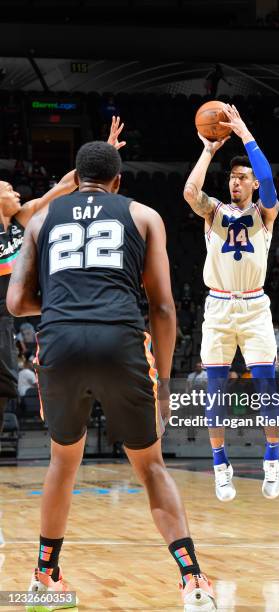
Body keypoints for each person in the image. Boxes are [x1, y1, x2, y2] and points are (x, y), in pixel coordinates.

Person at [7, 141, 216, 611]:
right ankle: (193, 581)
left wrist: (66, 302)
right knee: (151, 467)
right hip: (120, 340)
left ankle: (44, 578)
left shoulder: (42, 220)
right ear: (118, 181)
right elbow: (162, 307)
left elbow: (16, 303)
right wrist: (163, 385)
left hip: (58, 343)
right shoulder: (143, 216)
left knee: (63, 464)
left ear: (77, 178)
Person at [0, 117, 125, 447]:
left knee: (5, 386)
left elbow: (63, 187)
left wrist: (104, 155)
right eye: (7, 189)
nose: (15, 191)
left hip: (8, 319)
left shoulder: (23, 219)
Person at [183, 104, 279, 502]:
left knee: (266, 387)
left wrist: (244, 134)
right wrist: (209, 151)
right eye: (232, 178)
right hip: (220, 308)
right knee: (216, 391)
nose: (235, 183)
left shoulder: (265, 213)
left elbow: (270, 179)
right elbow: (190, 192)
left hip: (255, 307)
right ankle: (220, 466)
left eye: (242, 178)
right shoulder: (214, 212)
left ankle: (272, 460)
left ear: (253, 184)